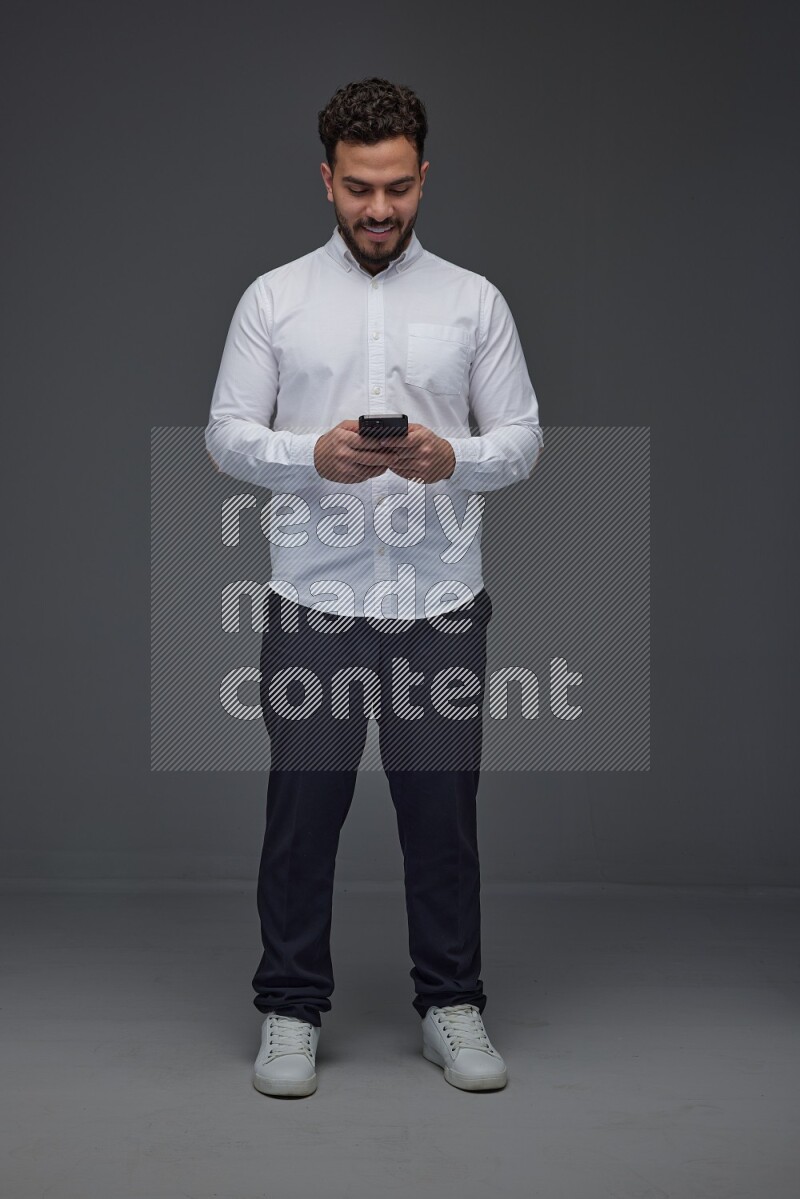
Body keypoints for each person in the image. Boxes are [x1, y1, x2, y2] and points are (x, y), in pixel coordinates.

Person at [205, 77, 543, 1098]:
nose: (379, 209)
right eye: (358, 188)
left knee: (439, 812)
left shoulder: (473, 301)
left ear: (422, 177)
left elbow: (522, 437)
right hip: (313, 602)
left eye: (397, 186)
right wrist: (313, 453)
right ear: (326, 180)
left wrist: (454, 460)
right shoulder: (275, 298)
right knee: (301, 810)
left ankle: (450, 1002)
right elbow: (224, 432)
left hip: (439, 604)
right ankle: (288, 1006)